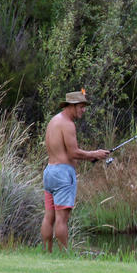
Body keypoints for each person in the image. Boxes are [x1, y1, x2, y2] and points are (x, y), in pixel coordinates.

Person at [41, 89, 109, 253]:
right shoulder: (68, 124)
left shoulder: (53, 121)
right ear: (71, 106)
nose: (83, 110)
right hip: (63, 174)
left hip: (49, 172)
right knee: (62, 219)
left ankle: (46, 253)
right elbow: (73, 153)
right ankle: (64, 254)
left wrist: (90, 156)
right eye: (81, 106)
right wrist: (95, 154)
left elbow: (65, 152)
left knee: (49, 217)